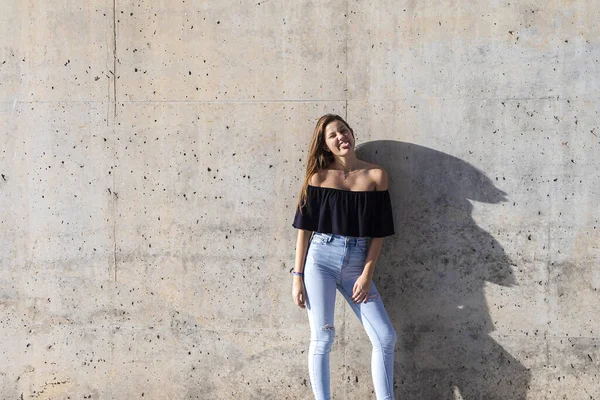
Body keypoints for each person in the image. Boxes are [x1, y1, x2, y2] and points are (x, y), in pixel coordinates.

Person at [291, 114, 397, 400]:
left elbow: (380, 232)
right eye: (333, 136)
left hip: (357, 262)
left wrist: (367, 274)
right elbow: (304, 230)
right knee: (323, 338)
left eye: (343, 130)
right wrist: (297, 277)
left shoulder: (376, 175)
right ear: (326, 145)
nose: (341, 137)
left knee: (385, 338)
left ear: (352, 132)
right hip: (320, 259)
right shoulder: (319, 177)